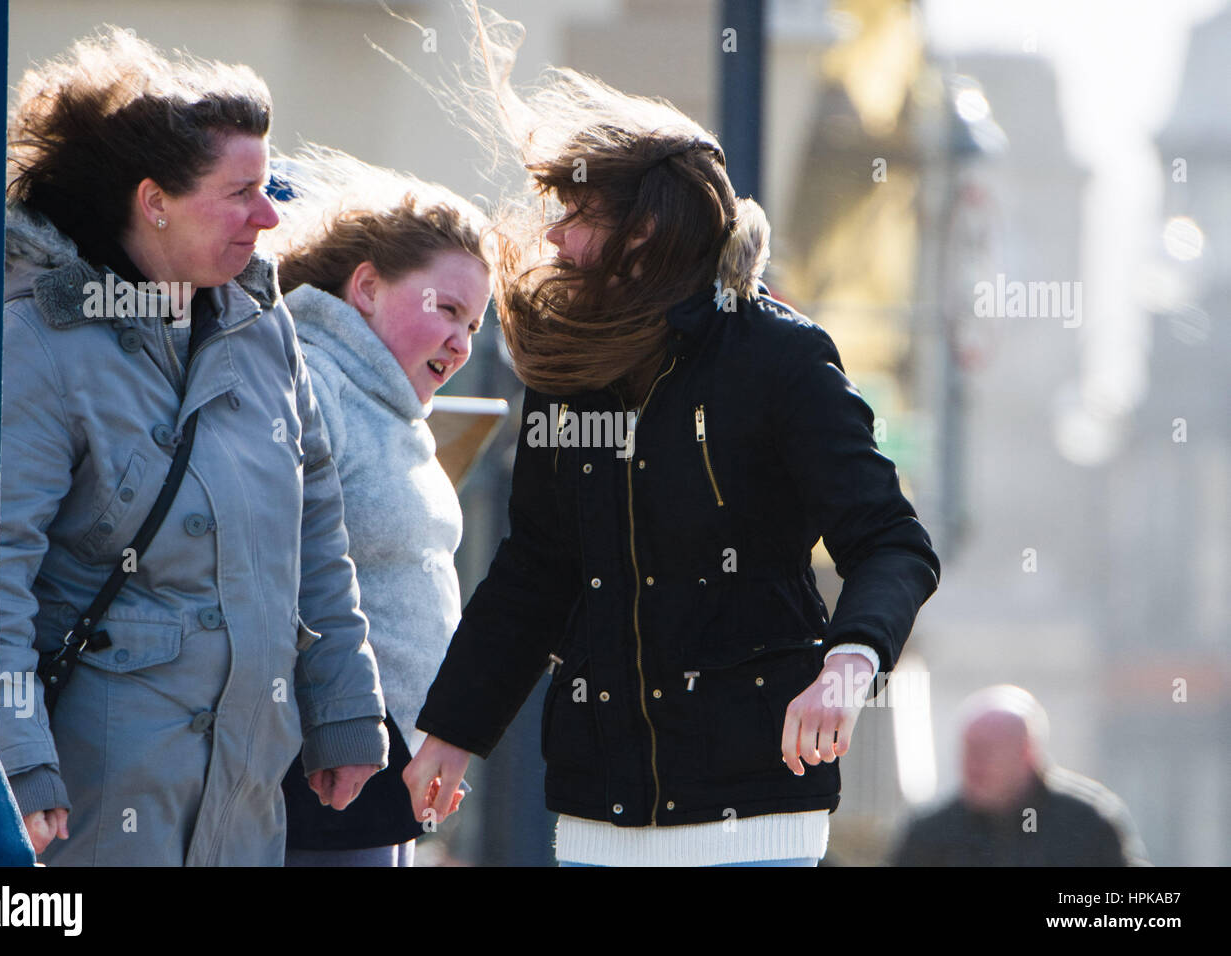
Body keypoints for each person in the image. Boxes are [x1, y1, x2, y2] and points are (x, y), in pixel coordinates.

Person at [401, 6, 942, 867]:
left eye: (576, 212)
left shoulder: (781, 357)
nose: (553, 235)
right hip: (592, 811)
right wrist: (452, 731)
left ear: (645, 230)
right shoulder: (567, 367)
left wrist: (848, 664)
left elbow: (893, 544)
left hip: (758, 810)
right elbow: (537, 568)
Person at [0, 28, 388, 866]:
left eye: (269, 186)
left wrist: (344, 704)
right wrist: (18, 765)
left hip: (247, 790)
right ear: (154, 200)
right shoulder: (34, 340)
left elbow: (316, 522)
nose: (270, 215)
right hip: (94, 796)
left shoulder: (261, 323)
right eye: (241, 191)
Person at [267, 148, 491, 866]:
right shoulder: (311, 380)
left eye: (474, 326)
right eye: (448, 311)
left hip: (382, 775)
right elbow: (289, 571)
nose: (460, 343)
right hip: (324, 770)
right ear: (366, 287)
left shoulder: (389, 406)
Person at [891, 685, 1149, 866]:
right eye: (968, 750)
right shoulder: (931, 833)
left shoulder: (1089, 824)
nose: (972, 764)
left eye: (986, 751)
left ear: (1026, 752)